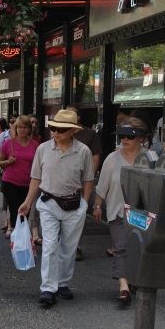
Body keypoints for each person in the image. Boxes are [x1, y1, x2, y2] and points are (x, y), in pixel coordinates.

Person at [19, 109, 94, 307]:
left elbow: (88, 179)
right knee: (50, 246)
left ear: (72, 131)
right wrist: (27, 202)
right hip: (49, 202)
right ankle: (48, 288)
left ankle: (62, 283)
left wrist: (85, 203)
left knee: (69, 248)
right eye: (53, 128)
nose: (56, 133)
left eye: (61, 129)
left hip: (74, 204)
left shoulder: (83, 151)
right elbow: (35, 178)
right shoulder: (43, 149)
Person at [93, 117, 149, 305]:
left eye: (129, 137)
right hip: (118, 210)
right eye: (122, 136)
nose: (124, 140)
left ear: (141, 138)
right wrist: (98, 205)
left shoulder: (151, 159)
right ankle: (123, 286)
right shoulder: (112, 158)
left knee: (139, 249)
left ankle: (133, 279)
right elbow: (103, 185)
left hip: (143, 213)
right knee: (121, 248)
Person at [66, 106, 103, 261]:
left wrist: (90, 174)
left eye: (71, 113)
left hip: (82, 180)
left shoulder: (89, 134)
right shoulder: (60, 132)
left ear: (78, 117)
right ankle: (63, 244)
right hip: (64, 180)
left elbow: (96, 155)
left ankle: (77, 246)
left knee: (79, 212)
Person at [0, 116, 38, 238]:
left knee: (26, 209)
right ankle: (18, 236)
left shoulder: (35, 145)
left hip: (28, 182)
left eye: (25, 127)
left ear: (30, 129)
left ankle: (20, 234)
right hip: (10, 181)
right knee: (15, 209)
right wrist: (8, 162)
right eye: (19, 127)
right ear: (15, 128)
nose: (22, 130)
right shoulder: (8, 143)